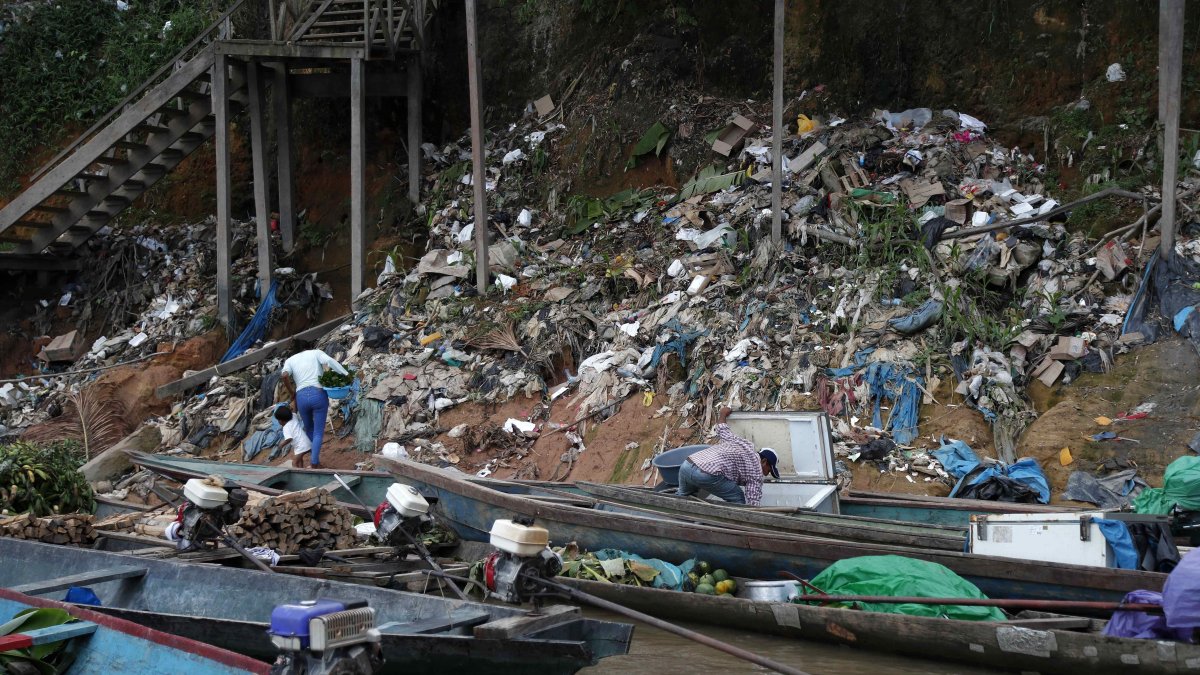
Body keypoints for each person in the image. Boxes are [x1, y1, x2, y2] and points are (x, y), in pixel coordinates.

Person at [676, 407, 779, 506]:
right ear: (764, 461)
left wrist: (723, 413)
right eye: (769, 470)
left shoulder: (743, 444)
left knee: (682, 498)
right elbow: (753, 502)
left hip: (687, 465)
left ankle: (676, 518)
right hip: (706, 474)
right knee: (737, 498)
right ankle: (729, 523)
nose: (766, 474)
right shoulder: (756, 471)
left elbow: (722, 429)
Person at [280, 342, 348, 468]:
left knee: (309, 429)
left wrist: (291, 392)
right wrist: (345, 374)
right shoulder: (316, 353)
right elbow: (328, 360)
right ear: (308, 347)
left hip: (301, 397)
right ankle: (314, 462)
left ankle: (313, 458)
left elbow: (284, 376)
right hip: (318, 393)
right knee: (318, 432)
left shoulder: (290, 360)